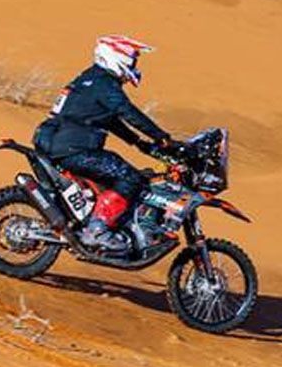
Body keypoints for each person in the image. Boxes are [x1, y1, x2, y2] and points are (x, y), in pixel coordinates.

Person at [33, 35, 181, 253]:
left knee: (113, 172)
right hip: (74, 149)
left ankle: (96, 220)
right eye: (132, 59)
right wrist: (161, 137)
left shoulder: (90, 79)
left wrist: (138, 142)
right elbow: (128, 112)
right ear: (117, 56)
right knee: (130, 177)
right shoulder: (104, 84)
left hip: (57, 143)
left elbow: (108, 119)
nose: (134, 65)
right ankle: (97, 230)